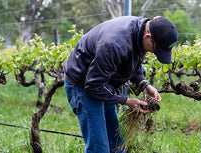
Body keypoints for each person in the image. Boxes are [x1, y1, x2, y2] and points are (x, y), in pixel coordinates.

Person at [63, 16, 178, 153]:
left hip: (104, 83)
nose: (153, 53)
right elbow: (93, 85)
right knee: (98, 148)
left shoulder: (140, 32)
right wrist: (126, 100)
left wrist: (144, 84)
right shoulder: (114, 44)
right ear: (148, 36)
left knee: (117, 145)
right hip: (83, 85)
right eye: (155, 49)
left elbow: (131, 63)